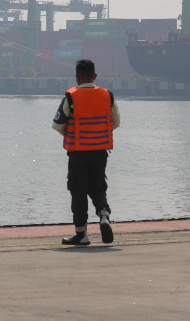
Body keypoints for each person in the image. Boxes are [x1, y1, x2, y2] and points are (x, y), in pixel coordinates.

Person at [51, 58, 120, 246]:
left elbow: (57, 124)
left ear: (77, 77)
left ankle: (81, 234)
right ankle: (104, 215)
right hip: (100, 152)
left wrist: (71, 132)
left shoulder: (71, 96)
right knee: (97, 187)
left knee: (78, 191)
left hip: (78, 153)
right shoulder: (107, 95)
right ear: (95, 76)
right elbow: (116, 121)